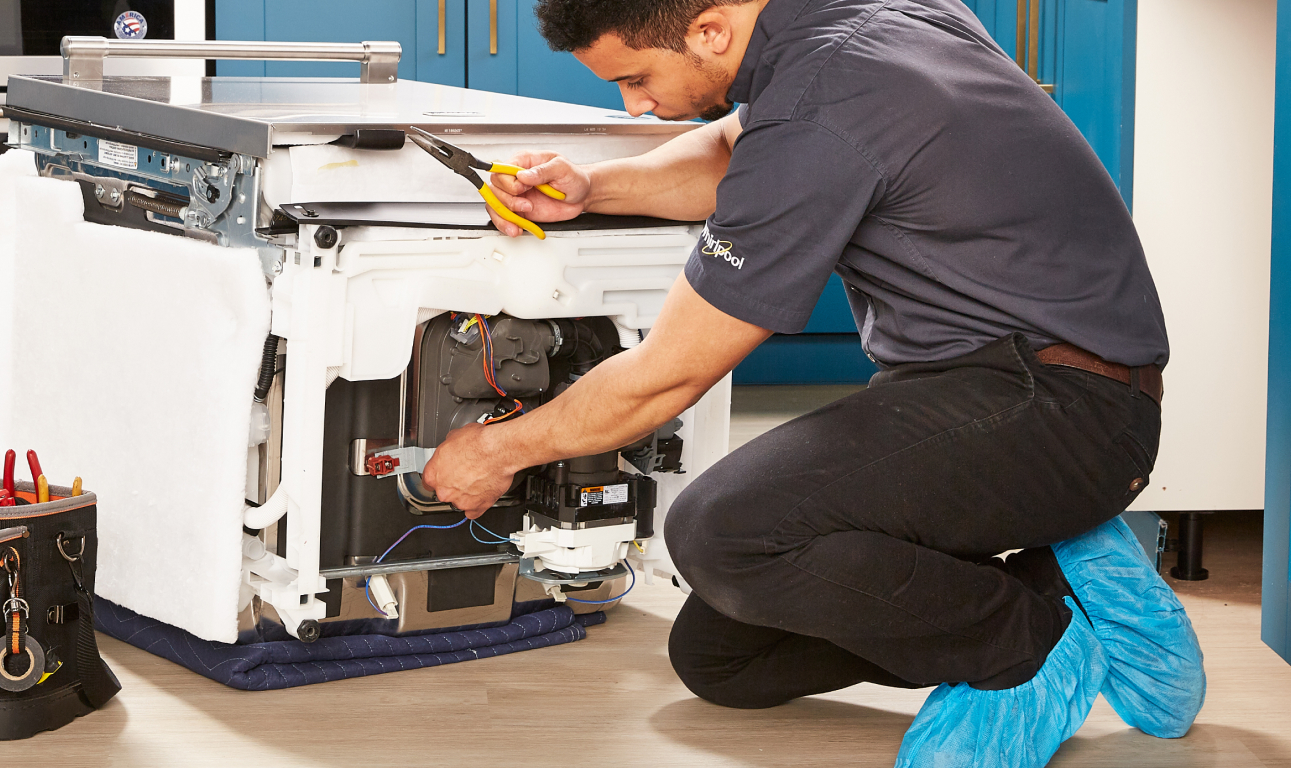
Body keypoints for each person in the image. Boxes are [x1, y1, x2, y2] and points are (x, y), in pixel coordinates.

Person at [418, 0, 1207, 765]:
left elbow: (669, 375)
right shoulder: (834, 29)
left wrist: (498, 451)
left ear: (709, 29)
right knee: (720, 659)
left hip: (1063, 409)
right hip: (987, 387)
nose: (636, 106)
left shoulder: (821, 102)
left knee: (721, 536)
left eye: (636, 78)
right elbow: (735, 151)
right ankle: (1059, 581)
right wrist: (594, 187)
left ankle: (1021, 650)